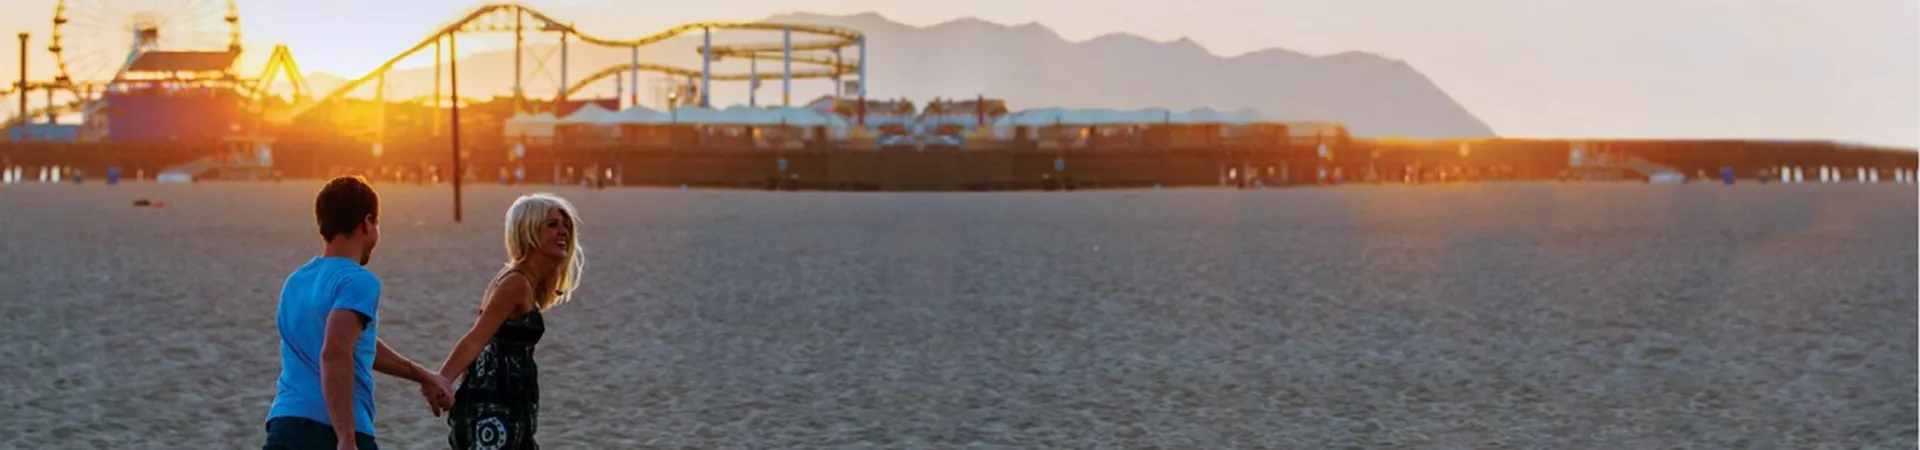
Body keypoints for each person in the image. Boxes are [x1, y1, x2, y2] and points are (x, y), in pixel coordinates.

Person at [263, 176, 454, 450]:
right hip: (329, 431)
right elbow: (335, 351)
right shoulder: (358, 281)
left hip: (284, 425)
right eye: (377, 223)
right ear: (367, 223)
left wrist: (422, 374)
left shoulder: (296, 281)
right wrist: (346, 437)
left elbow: (352, 342)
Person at [439, 193, 587, 450]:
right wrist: (442, 381)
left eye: (565, 225)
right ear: (528, 231)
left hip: (508, 402)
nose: (563, 231)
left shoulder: (523, 279)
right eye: (552, 225)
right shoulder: (515, 283)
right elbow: (476, 338)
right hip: (494, 407)